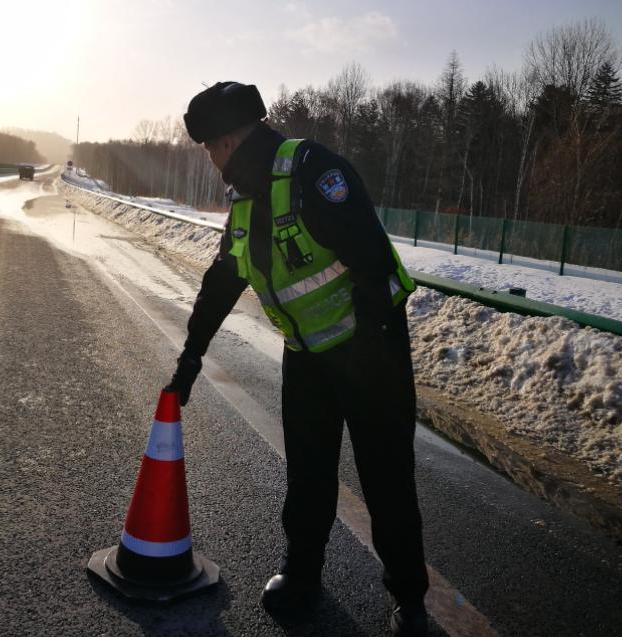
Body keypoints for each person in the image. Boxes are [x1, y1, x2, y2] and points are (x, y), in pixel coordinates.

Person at [166, 81, 430, 636]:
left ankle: (409, 599)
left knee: (386, 480)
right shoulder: (246, 201)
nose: (210, 159)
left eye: (209, 147)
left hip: (370, 351)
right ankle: (302, 574)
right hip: (307, 357)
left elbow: (371, 260)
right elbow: (223, 280)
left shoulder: (313, 170)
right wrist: (191, 356)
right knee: (308, 475)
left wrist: (368, 359)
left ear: (230, 140)